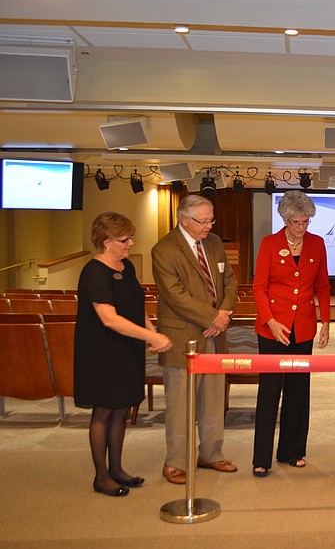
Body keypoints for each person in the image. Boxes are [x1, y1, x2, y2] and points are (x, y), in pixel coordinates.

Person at [74, 212, 172, 497]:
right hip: (102, 351)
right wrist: (152, 337)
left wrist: (149, 328)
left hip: (127, 347)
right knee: (103, 412)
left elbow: (135, 305)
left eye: (130, 237)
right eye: (124, 239)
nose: (130, 243)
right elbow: (109, 318)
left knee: (122, 409)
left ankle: (116, 469)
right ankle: (101, 476)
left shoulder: (126, 267)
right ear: (106, 242)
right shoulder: (93, 272)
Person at [152, 194, 238, 484]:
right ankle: (175, 462)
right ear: (184, 220)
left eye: (211, 219)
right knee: (181, 404)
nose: (209, 226)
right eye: (203, 221)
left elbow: (230, 280)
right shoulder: (164, 249)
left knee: (213, 400)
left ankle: (211, 454)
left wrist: (224, 313)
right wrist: (212, 317)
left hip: (216, 333)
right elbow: (175, 295)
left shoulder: (213, 243)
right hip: (183, 336)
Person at [252, 191, 331, 477]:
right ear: (285, 220)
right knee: (270, 391)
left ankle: (293, 450)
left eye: (306, 221)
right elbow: (259, 287)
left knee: (299, 391)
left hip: (303, 327)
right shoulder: (269, 244)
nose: (301, 227)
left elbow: (322, 286)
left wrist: (325, 322)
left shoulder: (317, 244)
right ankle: (261, 457)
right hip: (273, 329)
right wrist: (270, 321)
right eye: (296, 222)